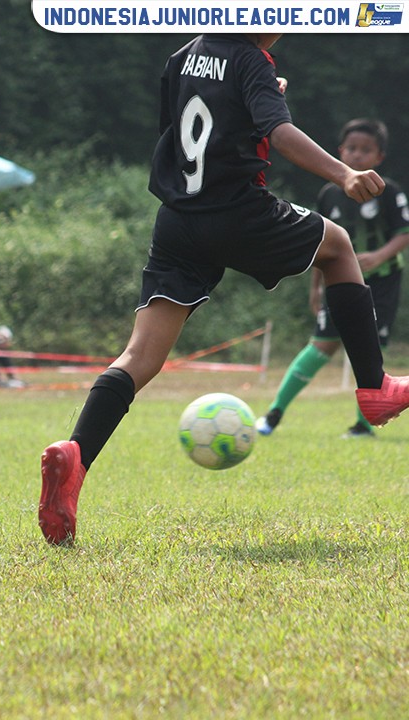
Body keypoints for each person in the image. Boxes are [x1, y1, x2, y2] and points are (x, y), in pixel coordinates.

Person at [39, 34, 409, 547]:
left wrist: (251, 94)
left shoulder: (184, 53)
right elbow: (279, 134)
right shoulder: (250, 57)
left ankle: (74, 458)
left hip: (177, 219)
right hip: (236, 212)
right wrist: (343, 173)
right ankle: (374, 389)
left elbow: (184, 127)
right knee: (339, 245)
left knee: (139, 355)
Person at [257, 118, 409, 439]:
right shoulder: (330, 193)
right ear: (340, 151)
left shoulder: (390, 192)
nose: (357, 156)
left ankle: (363, 426)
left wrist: (378, 256)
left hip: (381, 283)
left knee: (370, 348)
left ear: (379, 157)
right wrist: (315, 287)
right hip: (338, 284)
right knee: (321, 345)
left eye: (366, 151)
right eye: (351, 149)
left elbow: (404, 233)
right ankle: (273, 413)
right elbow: (320, 243)